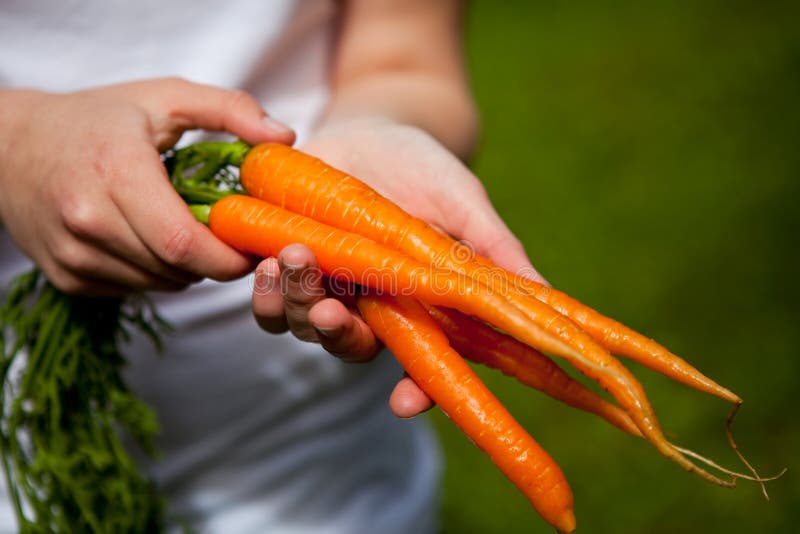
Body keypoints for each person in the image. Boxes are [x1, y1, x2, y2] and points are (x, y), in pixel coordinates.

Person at [0, 1, 544, 532]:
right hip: (39, 452)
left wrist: (382, 122)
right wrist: (16, 143)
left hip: (332, 472)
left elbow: (406, 58)